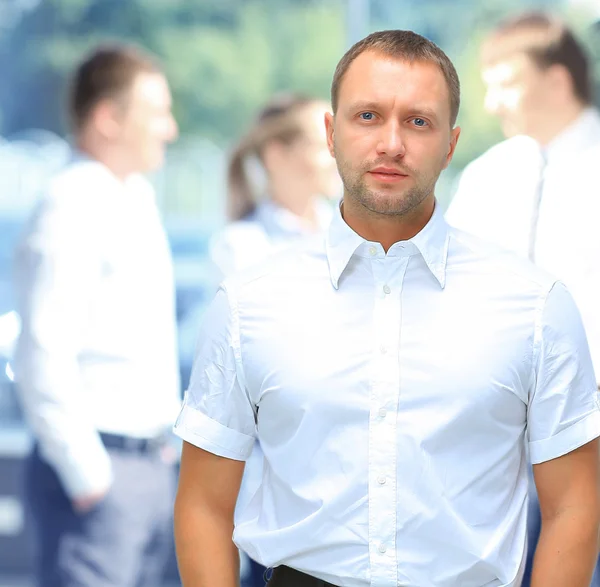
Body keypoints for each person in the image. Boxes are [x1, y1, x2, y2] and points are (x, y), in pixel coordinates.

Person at [173, 29, 600, 587]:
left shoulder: (537, 306)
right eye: (368, 116)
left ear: (451, 143)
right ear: (331, 133)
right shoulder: (249, 303)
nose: (391, 143)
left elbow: (574, 506)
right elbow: (203, 503)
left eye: (418, 121)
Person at [13, 44, 180, 587]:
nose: (170, 130)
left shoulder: (131, 198)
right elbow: (42, 353)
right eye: (156, 113)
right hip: (101, 473)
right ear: (109, 118)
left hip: (146, 468)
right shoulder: (72, 204)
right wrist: (88, 475)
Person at [444, 12, 600, 586]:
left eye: (505, 82)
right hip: (500, 436)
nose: (491, 102)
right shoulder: (488, 178)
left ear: (557, 81)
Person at [211, 92, 340, 587]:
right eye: (317, 139)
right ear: (276, 155)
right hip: (282, 487)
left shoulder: (355, 233)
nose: (335, 150)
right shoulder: (242, 248)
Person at [210, 92, 341, 281]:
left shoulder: (348, 235)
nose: (338, 156)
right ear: (276, 155)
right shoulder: (239, 248)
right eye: (323, 146)